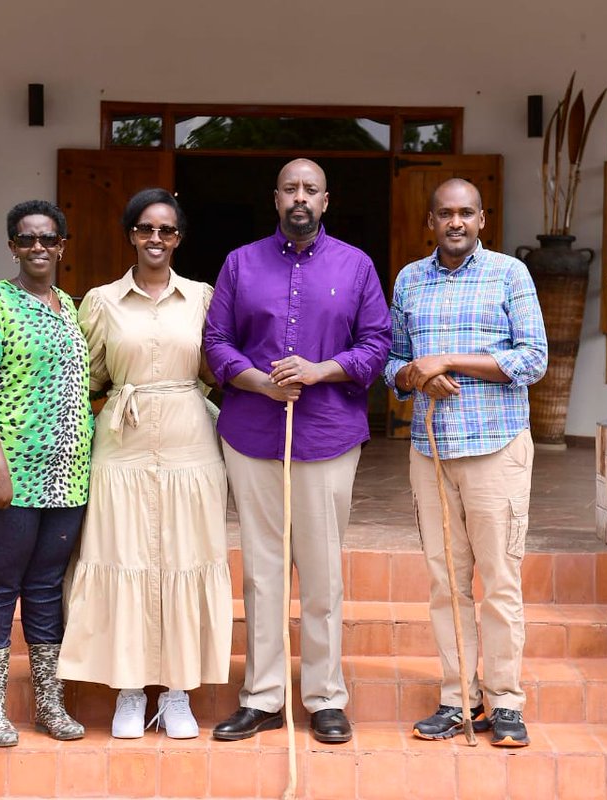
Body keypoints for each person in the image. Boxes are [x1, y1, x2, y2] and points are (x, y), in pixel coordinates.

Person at [204, 158, 392, 744]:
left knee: (321, 571)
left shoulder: (356, 266)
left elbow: (377, 343)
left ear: (326, 200)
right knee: (262, 572)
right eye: (291, 189)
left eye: (311, 189)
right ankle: (262, 695)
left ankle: (325, 696)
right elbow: (215, 342)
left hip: (328, 437)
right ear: (276, 198)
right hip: (253, 435)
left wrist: (321, 371)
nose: (300, 198)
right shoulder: (240, 263)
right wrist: (258, 380)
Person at [58, 188, 231, 740]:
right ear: (130, 234)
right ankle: (130, 691)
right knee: (121, 556)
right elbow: (86, 381)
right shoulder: (101, 301)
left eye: (168, 230)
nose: (156, 239)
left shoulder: (203, 297)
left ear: (179, 238)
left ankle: (178, 691)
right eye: (145, 229)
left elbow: (214, 369)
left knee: (186, 556)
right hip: (122, 449)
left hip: (190, 444)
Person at [383, 178, 547, 747]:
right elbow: (396, 362)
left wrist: (450, 360)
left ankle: (504, 701)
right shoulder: (408, 279)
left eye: (467, 213)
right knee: (445, 583)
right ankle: (458, 699)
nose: (456, 222)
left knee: (500, 580)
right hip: (430, 452)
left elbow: (533, 359)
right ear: (430, 221)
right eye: (445, 214)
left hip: (496, 448)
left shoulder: (509, 274)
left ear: (483, 219)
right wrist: (411, 374)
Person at [0, 200, 91, 747]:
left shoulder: (69, 306)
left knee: (46, 589)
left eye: (47, 239)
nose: (37, 249)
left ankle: (49, 705)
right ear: (11, 246)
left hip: (66, 478)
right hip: (1, 476)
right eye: (26, 240)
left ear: (61, 247)